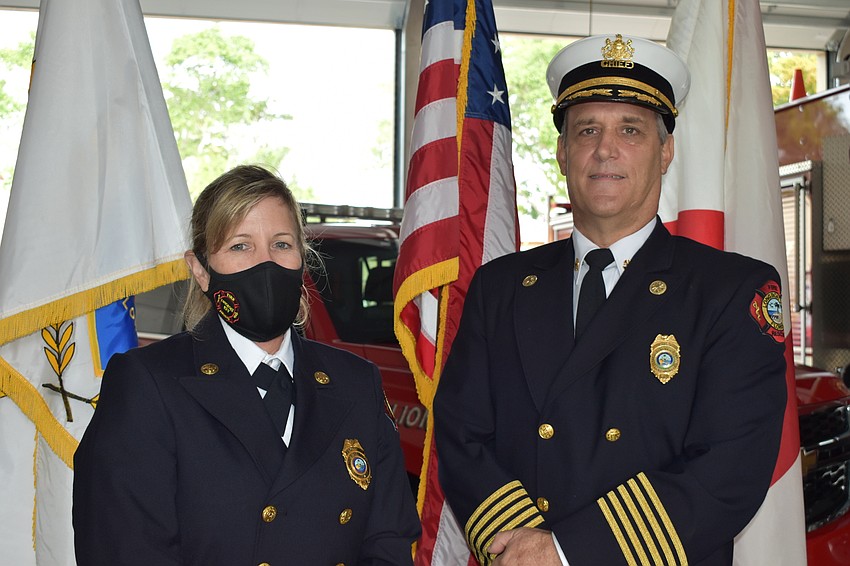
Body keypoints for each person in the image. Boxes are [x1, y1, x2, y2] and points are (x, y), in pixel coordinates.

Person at [433, 33, 788, 566]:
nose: (605, 149)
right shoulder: (500, 287)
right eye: (587, 130)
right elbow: (462, 434)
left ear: (666, 152)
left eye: (630, 130)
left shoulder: (731, 291)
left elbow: (729, 469)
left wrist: (564, 551)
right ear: (562, 153)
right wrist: (522, 549)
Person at [73, 164, 420, 565]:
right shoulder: (147, 384)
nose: (266, 264)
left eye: (282, 244)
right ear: (201, 271)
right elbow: (124, 549)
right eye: (240, 246)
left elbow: (389, 542)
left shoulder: (357, 383)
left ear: (302, 259)